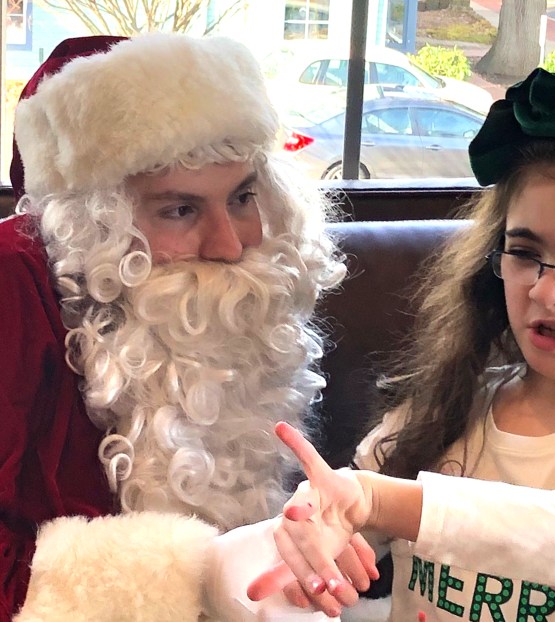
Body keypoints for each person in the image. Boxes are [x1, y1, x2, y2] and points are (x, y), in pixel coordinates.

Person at [247, 64, 555, 621]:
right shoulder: (447, 409)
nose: (544, 289)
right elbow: (342, 528)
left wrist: (387, 501)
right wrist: (314, 541)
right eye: (524, 252)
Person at [0, 32, 378, 622]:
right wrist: (203, 572)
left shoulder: (248, 310)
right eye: (180, 209)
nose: (229, 246)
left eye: (244, 197)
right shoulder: (14, 291)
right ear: (93, 225)